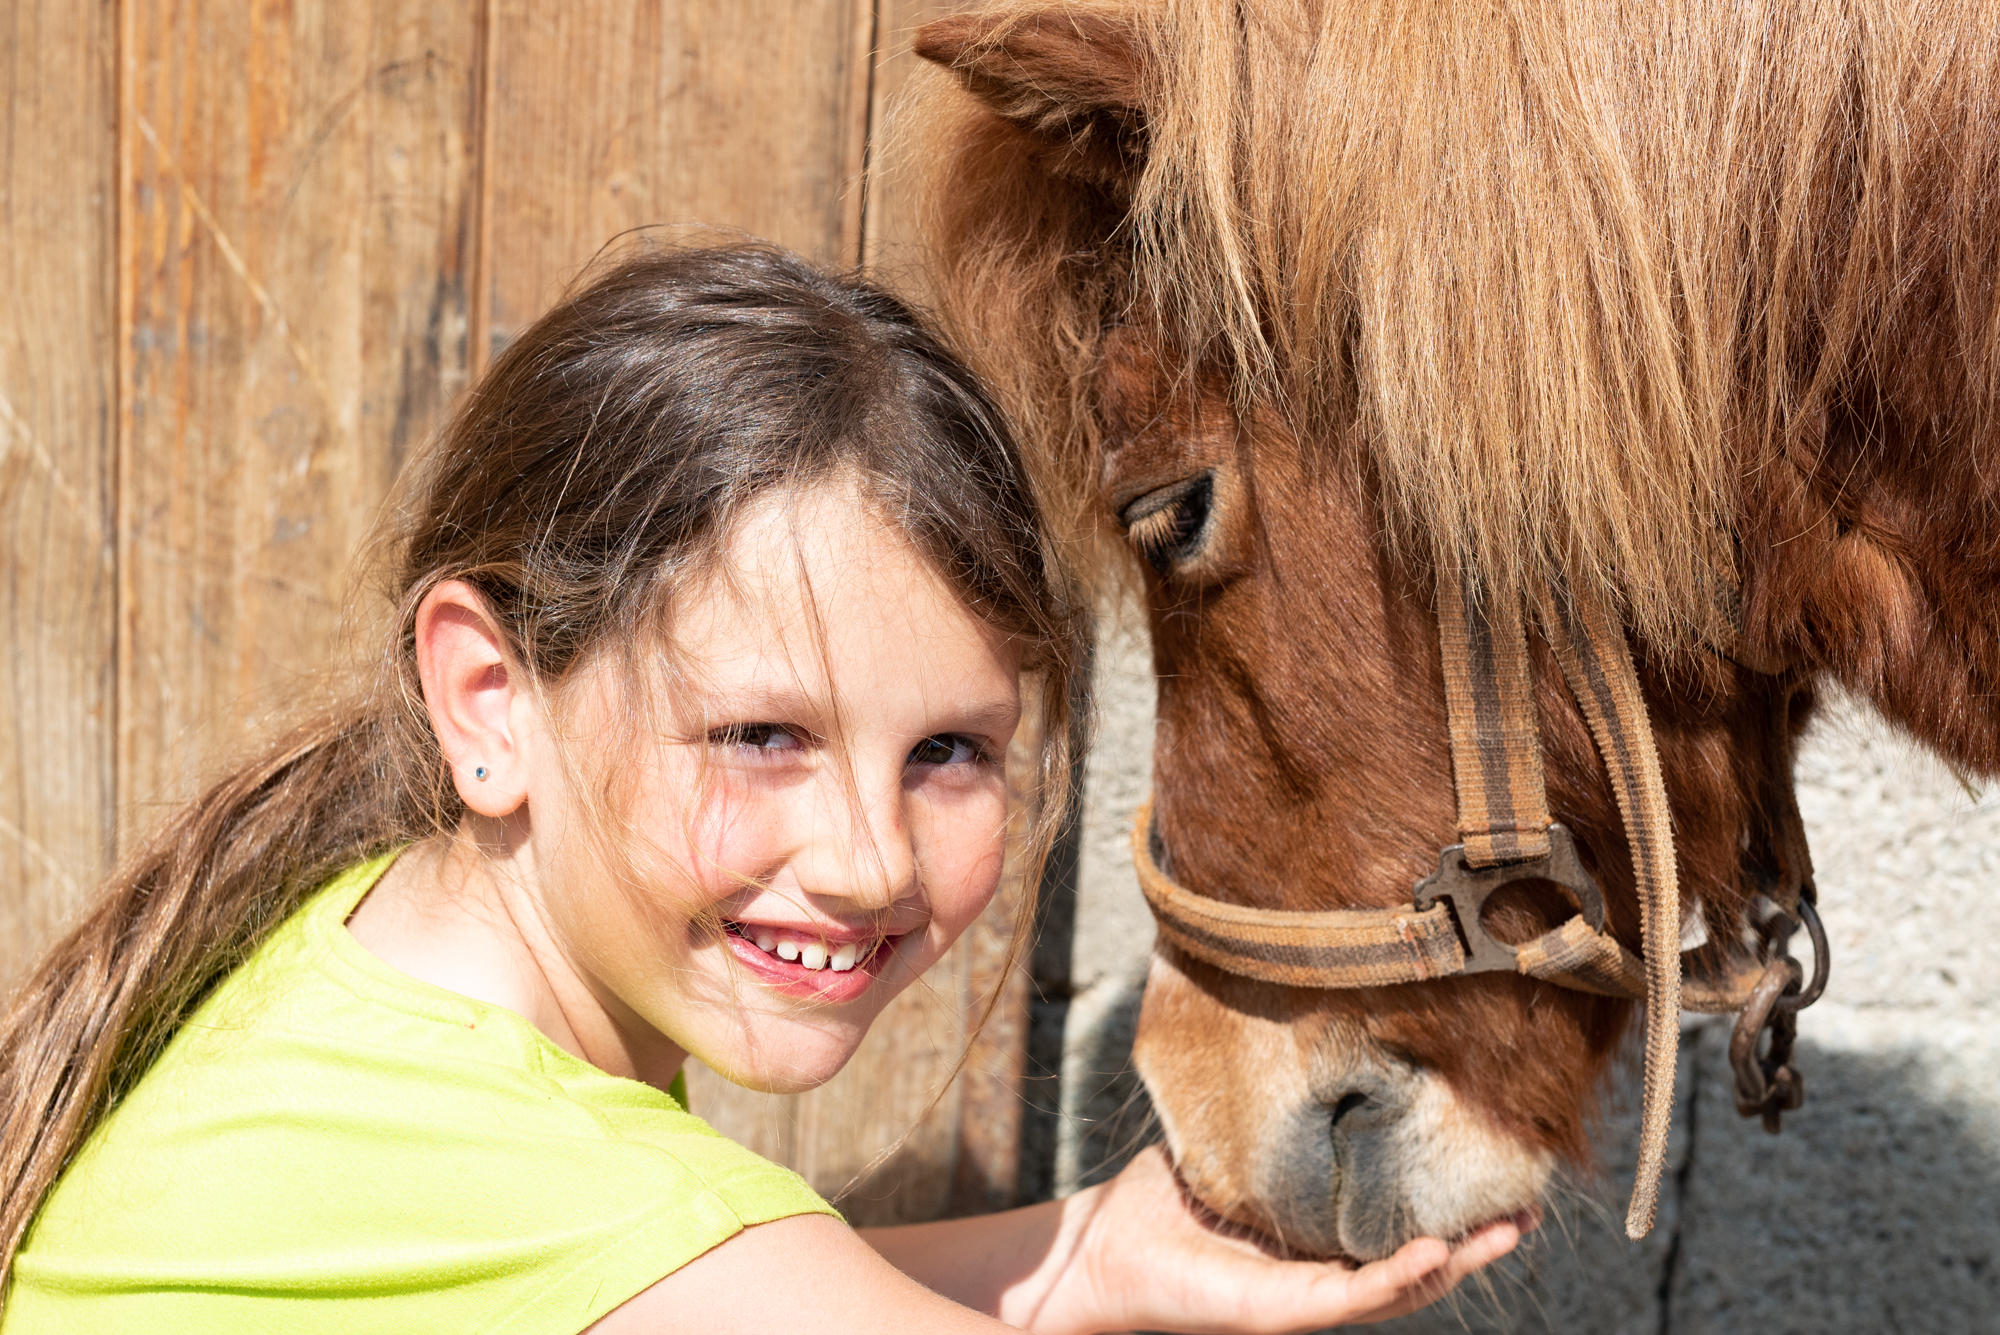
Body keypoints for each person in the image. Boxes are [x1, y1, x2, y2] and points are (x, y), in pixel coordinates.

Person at [0, 244, 1526, 1333]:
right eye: (759, 738)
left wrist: (1081, 1257)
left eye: (951, 753)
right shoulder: (605, 1206)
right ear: (486, 700)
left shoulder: (352, 974)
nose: (869, 860)